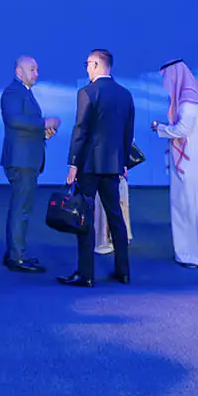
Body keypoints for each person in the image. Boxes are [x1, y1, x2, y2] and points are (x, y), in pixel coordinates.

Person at [59, 49, 134, 288]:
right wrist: (123, 163)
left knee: (84, 217)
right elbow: (127, 133)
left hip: (89, 167)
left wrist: (73, 164)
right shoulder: (125, 95)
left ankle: (85, 274)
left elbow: (80, 131)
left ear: (95, 65)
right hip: (113, 166)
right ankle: (123, 272)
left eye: (87, 65)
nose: (86, 69)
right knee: (116, 219)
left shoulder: (87, 93)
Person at [152, 60, 198, 268]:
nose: (165, 82)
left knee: (189, 208)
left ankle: (193, 255)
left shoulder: (187, 104)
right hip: (194, 164)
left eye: (167, 77)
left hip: (190, 166)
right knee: (195, 207)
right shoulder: (190, 100)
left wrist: (160, 128)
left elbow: (182, 130)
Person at [0, 56, 58, 273]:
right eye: (32, 69)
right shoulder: (13, 92)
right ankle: (18, 256)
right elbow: (14, 120)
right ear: (19, 72)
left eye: (36, 69)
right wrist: (44, 123)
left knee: (20, 207)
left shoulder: (23, 92)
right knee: (21, 209)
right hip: (21, 161)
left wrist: (43, 134)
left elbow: (23, 127)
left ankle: (15, 252)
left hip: (26, 159)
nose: (36, 73)